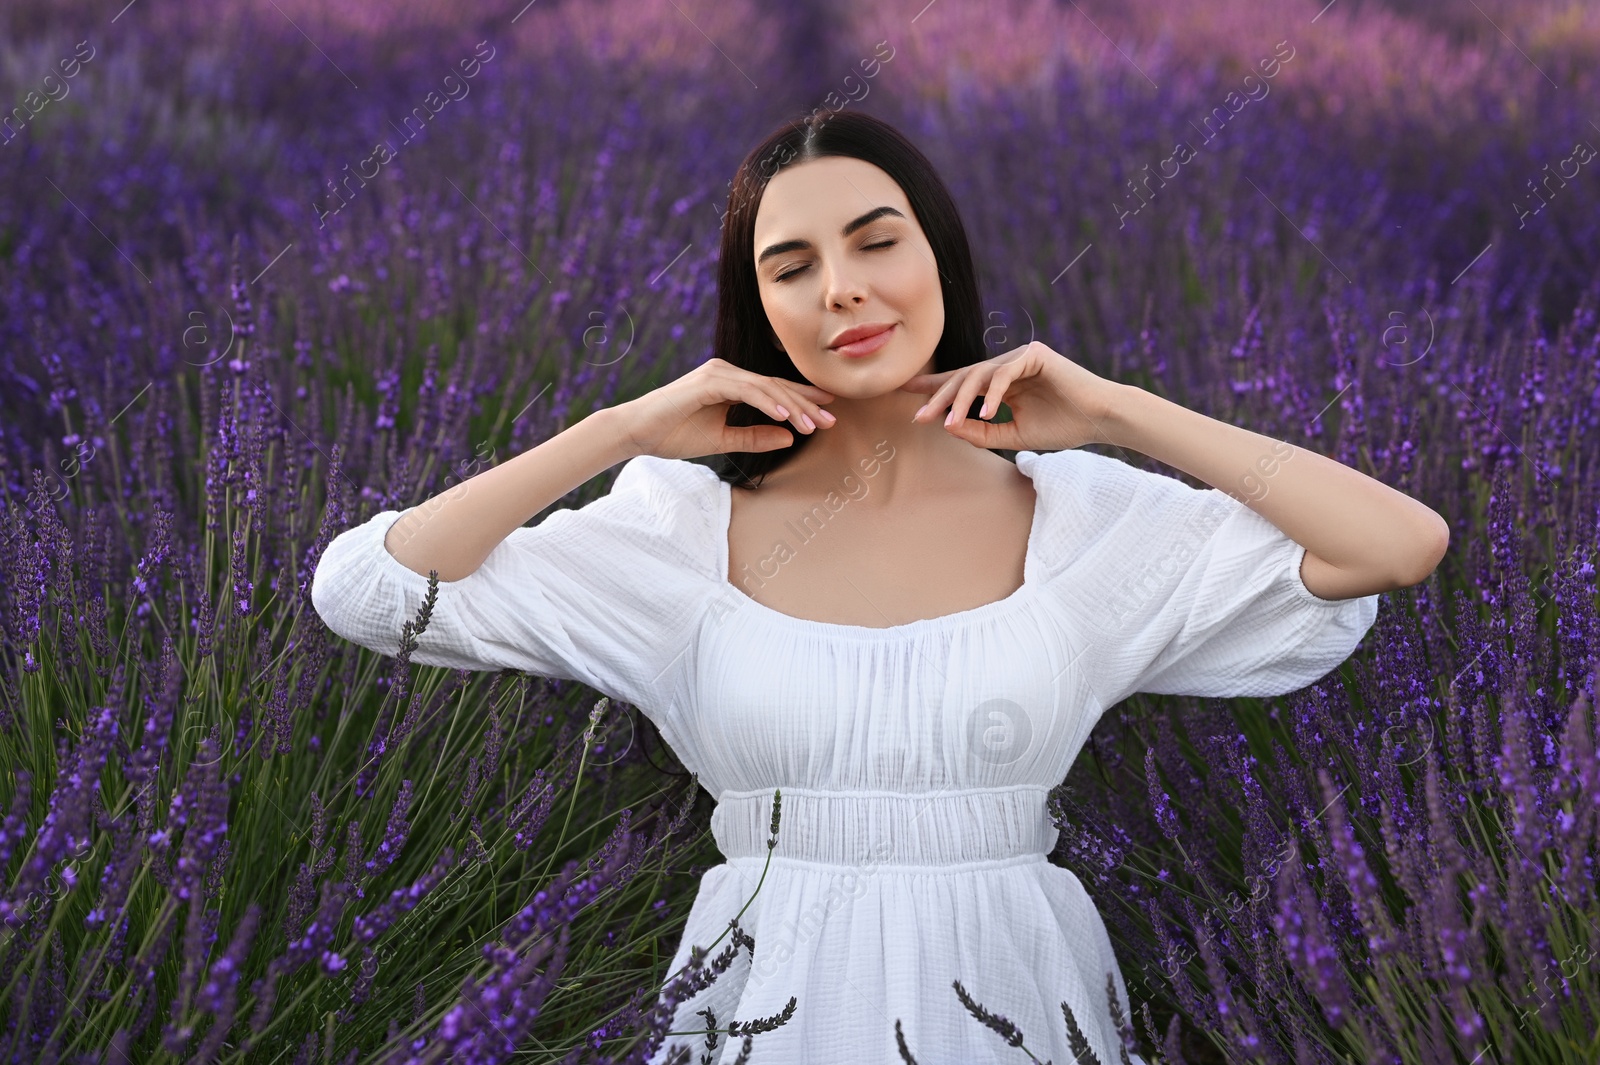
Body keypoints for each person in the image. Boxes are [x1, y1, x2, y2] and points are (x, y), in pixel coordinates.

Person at [311, 110, 1447, 1064]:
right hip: (765, 1001)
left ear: (937, 258)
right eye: (790, 267)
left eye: (874, 243)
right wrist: (617, 431)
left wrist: (1114, 411)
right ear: (759, 312)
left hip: (1015, 986)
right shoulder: (675, 531)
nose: (842, 291)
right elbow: (364, 592)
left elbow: (1394, 544)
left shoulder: (1086, 523)